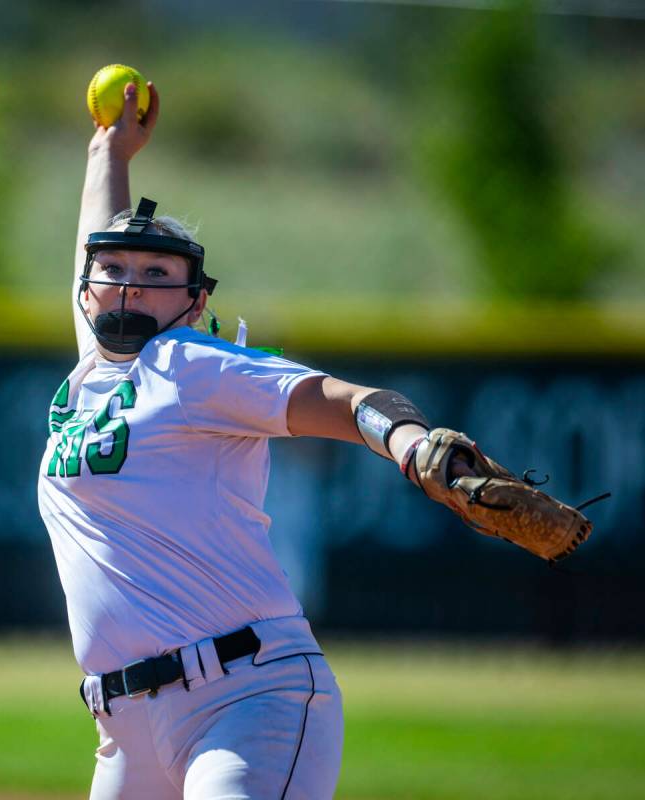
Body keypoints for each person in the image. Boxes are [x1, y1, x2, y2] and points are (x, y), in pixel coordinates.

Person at [37, 80, 572, 800]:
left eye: (156, 274)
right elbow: (102, 248)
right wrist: (109, 151)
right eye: (114, 272)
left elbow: (349, 402)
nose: (130, 287)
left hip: (244, 701)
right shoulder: (92, 378)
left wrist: (415, 447)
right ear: (89, 285)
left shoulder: (194, 363)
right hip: (124, 728)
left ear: (196, 303)